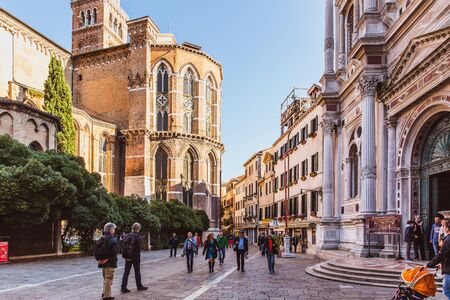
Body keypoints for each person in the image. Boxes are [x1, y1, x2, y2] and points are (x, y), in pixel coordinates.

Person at [120, 223, 148, 293]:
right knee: (137, 272)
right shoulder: (138, 236)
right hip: (136, 257)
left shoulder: (127, 235)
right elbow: (139, 247)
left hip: (128, 256)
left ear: (132, 228)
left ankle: (123, 287)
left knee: (126, 272)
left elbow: (123, 243)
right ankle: (139, 286)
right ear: (139, 229)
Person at [427, 218, 450, 299]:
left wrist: (430, 264)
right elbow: (441, 240)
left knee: (446, 290)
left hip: (448, 268)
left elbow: (442, 254)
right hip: (445, 255)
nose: (442, 226)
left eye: (444, 225)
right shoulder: (443, 232)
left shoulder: (448, 238)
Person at [94, 223, 118, 300]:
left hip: (102, 263)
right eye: (113, 229)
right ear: (111, 230)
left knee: (106, 279)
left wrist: (99, 260)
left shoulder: (101, 238)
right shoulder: (112, 239)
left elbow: (95, 251)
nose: (114, 230)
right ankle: (107, 296)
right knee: (109, 278)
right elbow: (113, 252)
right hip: (110, 262)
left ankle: (105, 292)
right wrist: (107, 259)